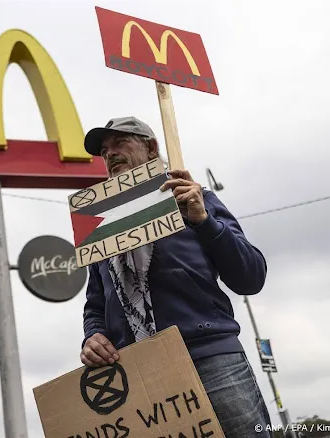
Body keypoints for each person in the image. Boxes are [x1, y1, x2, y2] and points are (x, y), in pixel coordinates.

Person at [79, 117, 272, 437]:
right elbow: (96, 303)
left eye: (119, 143)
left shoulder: (195, 200)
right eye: (103, 150)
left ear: (151, 148)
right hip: (138, 373)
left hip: (211, 362)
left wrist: (204, 221)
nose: (109, 153)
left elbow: (251, 277)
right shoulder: (100, 225)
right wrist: (92, 337)